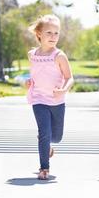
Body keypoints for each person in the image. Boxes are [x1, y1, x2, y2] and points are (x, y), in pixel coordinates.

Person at [26, 14, 74, 180]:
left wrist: (64, 90)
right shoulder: (32, 54)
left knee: (56, 137)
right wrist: (29, 81)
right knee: (44, 132)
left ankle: (47, 146)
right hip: (38, 99)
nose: (53, 37)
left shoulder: (59, 55)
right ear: (39, 33)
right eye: (49, 33)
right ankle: (44, 168)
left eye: (56, 33)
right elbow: (36, 74)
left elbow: (69, 77)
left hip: (56, 101)